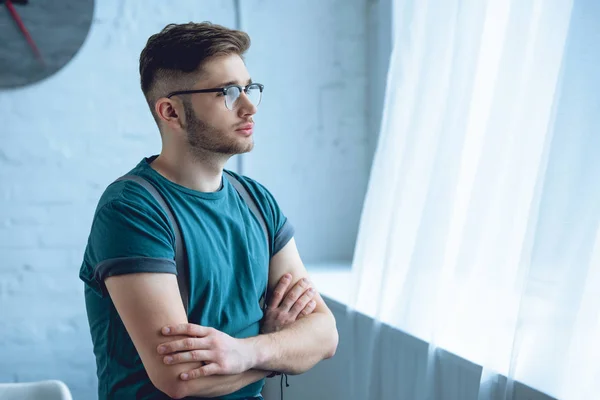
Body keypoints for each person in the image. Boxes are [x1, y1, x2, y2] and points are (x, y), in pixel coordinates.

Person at [79, 22, 338, 400]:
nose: (249, 105)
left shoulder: (257, 200)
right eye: (228, 93)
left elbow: (325, 334)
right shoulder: (131, 209)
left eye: (250, 89)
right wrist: (279, 346)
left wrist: (249, 351)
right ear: (171, 112)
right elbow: (183, 379)